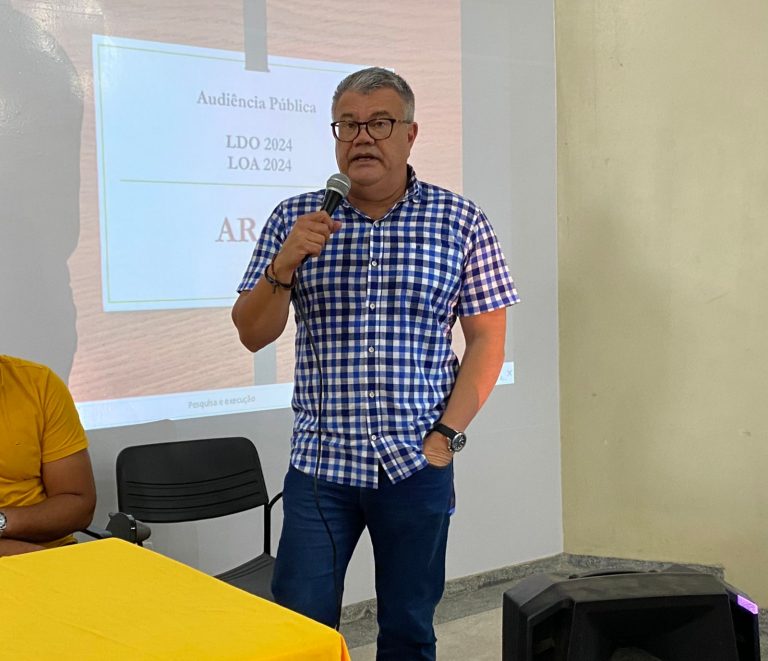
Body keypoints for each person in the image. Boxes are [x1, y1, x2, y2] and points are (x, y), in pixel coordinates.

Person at [232, 67, 519, 660]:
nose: (362, 137)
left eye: (380, 123)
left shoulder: (460, 221)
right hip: (320, 468)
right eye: (348, 125)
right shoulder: (294, 219)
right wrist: (283, 266)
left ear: (410, 134)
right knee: (300, 632)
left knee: (410, 628)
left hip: (415, 463)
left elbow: (487, 341)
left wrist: (446, 436)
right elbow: (252, 334)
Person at [0, 355, 96, 557]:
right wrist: (11, 551)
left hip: (48, 554)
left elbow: (78, 505)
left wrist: (2, 522)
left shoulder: (39, 384)